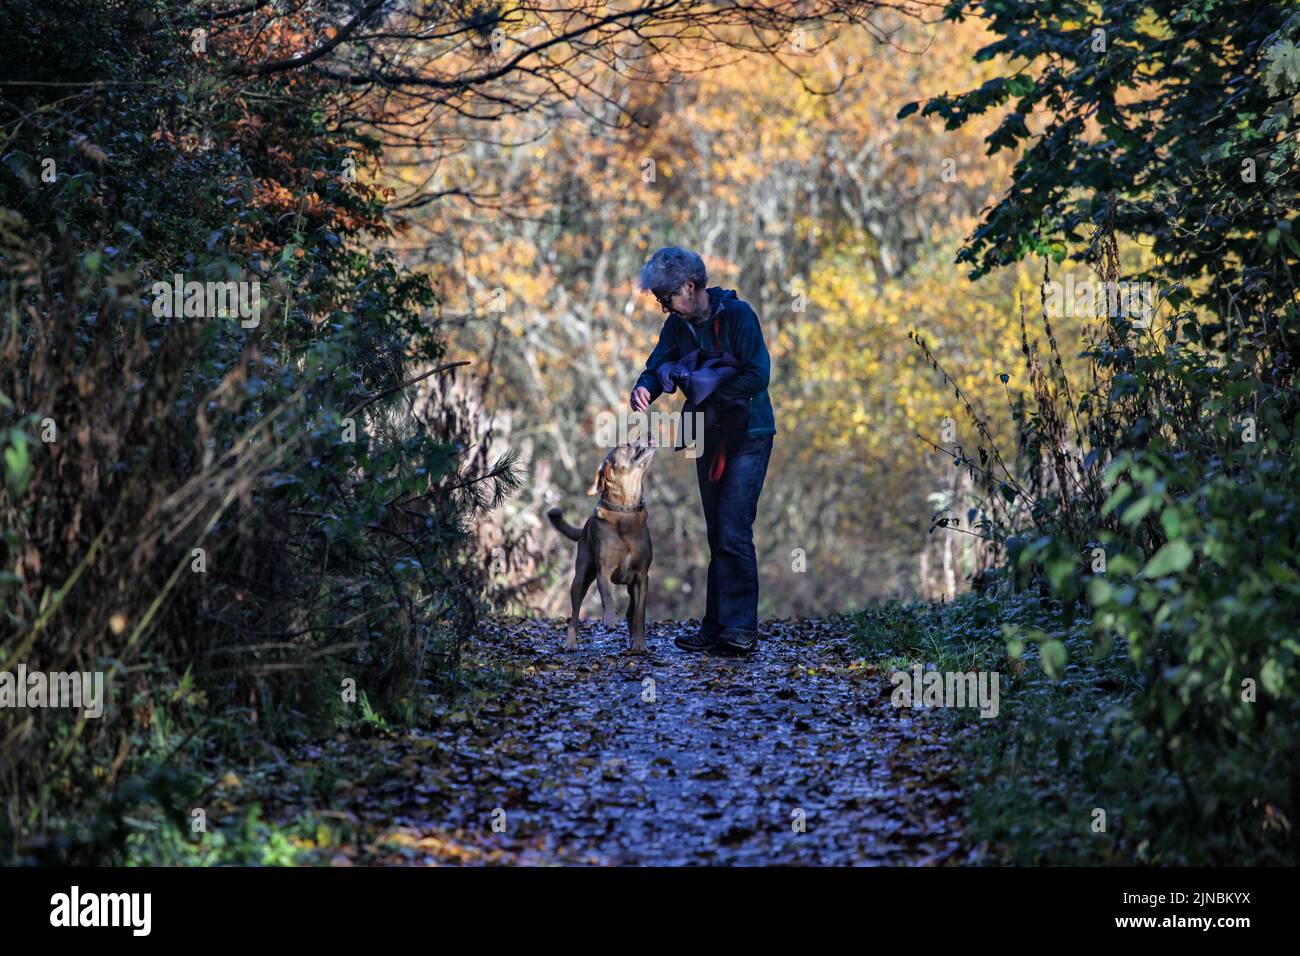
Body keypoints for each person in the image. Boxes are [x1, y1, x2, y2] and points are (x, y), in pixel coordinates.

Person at [630, 247, 776, 654]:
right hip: (703, 432)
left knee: (734, 527)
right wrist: (645, 387)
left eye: (666, 298)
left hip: (749, 432)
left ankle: (740, 631)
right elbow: (658, 363)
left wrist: (705, 385)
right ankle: (715, 629)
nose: (664, 307)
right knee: (717, 531)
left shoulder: (739, 316)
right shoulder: (678, 325)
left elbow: (758, 375)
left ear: (690, 287)